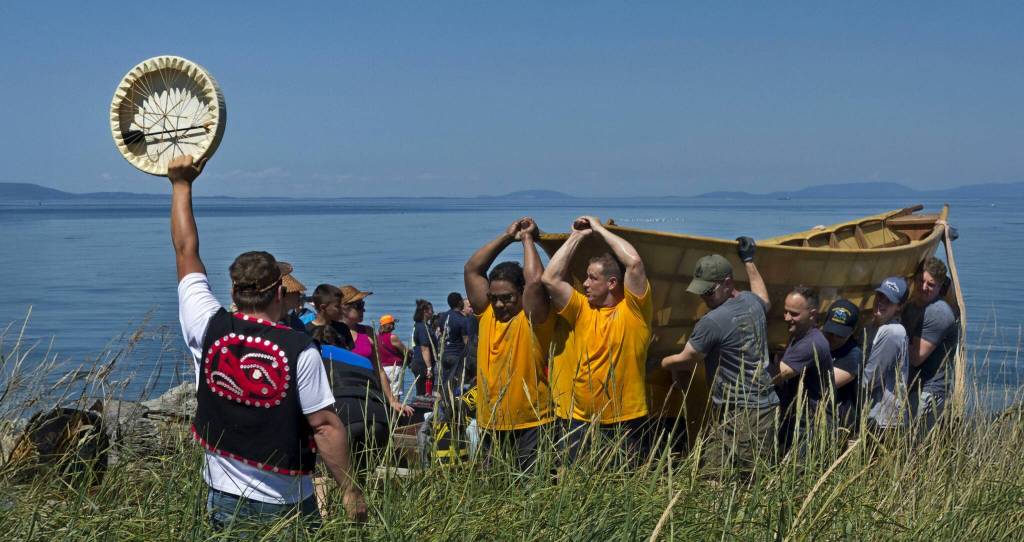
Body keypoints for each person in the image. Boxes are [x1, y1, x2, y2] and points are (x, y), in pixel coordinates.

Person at [166, 155, 365, 529]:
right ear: (279, 291)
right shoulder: (299, 349)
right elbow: (325, 426)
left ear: (233, 290)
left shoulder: (206, 324)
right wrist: (350, 490)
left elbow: (185, 251)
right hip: (285, 503)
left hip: (222, 498)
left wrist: (181, 185)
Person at [661, 238, 779, 475]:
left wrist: (662, 362)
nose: (704, 298)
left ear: (727, 283)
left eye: (708, 291)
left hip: (746, 413)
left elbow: (688, 357)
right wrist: (748, 260)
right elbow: (764, 297)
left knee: (746, 481)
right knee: (711, 476)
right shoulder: (750, 302)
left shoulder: (712, 321)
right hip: (752, 408)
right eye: (700, 291)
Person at [541, 216, 652, 464]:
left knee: (626, 488)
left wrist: (599, 230)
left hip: (626, 421)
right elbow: (550, 279)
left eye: (592, 278)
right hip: (580, 422)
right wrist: (577, 236)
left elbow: (633, 263)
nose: (586, 283)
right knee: (578, 487)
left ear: (612, 283)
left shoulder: (634, 311)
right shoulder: (581, 309)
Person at [464, 217, 555, 471]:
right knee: (496, 494)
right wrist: (506, 236)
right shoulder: (487, 314)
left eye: (507, 298)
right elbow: (472, 269)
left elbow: (536, 281)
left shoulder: (533, 317)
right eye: (494, 298)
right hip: (490, 424)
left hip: (532, 424)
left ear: (522, 293)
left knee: (533, 493)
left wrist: (527, 240)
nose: (500, 304)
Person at [772, 286, 834, 453]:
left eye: (794, 314)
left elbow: (776, 376)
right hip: (796, 418)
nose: (786, 318)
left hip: (811, 425)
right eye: (785, 312)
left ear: (812, 314)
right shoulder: (797, 334)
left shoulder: (813, 343)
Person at [902, 256, 959, 435]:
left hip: (929, 391)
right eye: (921, 281)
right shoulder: (914, 305)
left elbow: (915, 357)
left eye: (931, 284)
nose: (924, 287)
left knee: (911, 447)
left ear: (941, 286)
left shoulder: (938, 313)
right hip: (915, 386)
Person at [337, 284, 412, 419]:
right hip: (342, 396)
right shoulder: (331, 333)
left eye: (363, 304)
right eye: (359, 306)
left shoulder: (368, 331)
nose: (364, 309)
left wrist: (392, 401)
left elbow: (379, 370)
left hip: (368, 394)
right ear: (343, 308)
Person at [862, 276, 910, 439]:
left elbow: (870, 378)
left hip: (884, 421)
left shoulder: (892, 332)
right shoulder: (874, 327)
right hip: (877, 417)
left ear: (899, 307)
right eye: (880, 296)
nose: (881, 302)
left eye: (889, 300)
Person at [821, 299, 865, 435]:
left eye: (839, 334)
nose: (832, 337)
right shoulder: (820, 344)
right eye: (829, 332)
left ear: (852, 332)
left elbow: (825, 384)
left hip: (840, 426)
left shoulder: (853, 354)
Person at [439, 292, 471, 392]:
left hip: (445, 355)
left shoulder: (443, 317)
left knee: (445, 382)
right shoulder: (462, 319)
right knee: (457, 383)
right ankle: (454, 404)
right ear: (459, 302)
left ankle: (444, 403)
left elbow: (442, 334)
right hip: (457, 355)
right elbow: (466, 341)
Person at [306, 284, 354, 349]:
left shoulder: (343, 328)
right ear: (323, 307)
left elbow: (350, 355)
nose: (341, 310)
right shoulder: (306, 331)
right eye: (337, 306)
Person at [377, 314, 410, 400]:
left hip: (382, 369)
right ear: (389, 325)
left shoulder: (377, 337)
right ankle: (395, 413)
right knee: (395, 396)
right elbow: (405, 351)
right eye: (392, 323)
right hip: (394, 369)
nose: (394, 325)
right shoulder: (392, 337)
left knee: (385, 394)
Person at [410, 299, 437, 396]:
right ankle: (422, 410)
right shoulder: (422, 327)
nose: (433, 312)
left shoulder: (424, 325)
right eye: (431, 310)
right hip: (422, 364)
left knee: (425, 391)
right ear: (425, 312)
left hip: (421, 363)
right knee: (423, 392)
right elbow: (424, 348)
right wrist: (429, 368)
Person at [279, 263, 310, 332]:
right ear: (283, 295)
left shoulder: (295, 321)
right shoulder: (295, 322)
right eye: (295, 292)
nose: (299, 295)